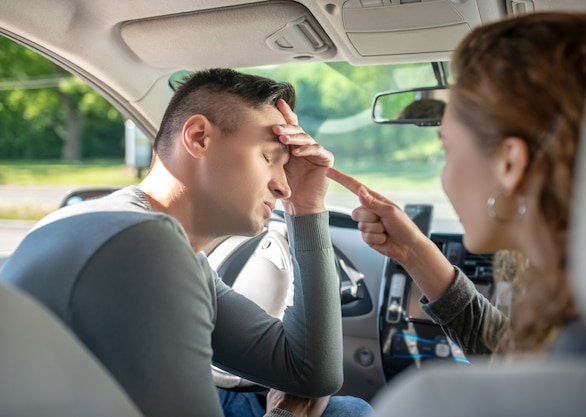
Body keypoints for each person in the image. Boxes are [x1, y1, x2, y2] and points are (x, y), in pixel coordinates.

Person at [0, 68, 371, 417]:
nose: (283, 185)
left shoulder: (145, 236)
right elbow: (307, 385)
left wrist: (306, 206)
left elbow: (311, 374)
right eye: (269, 158)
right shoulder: (144, 242)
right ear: (198, 137)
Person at [327, 12, 586, 360]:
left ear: (509, 164)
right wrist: (413, 250)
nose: (444, 177)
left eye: (447, 148)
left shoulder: (580, 349)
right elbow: (503, 352)